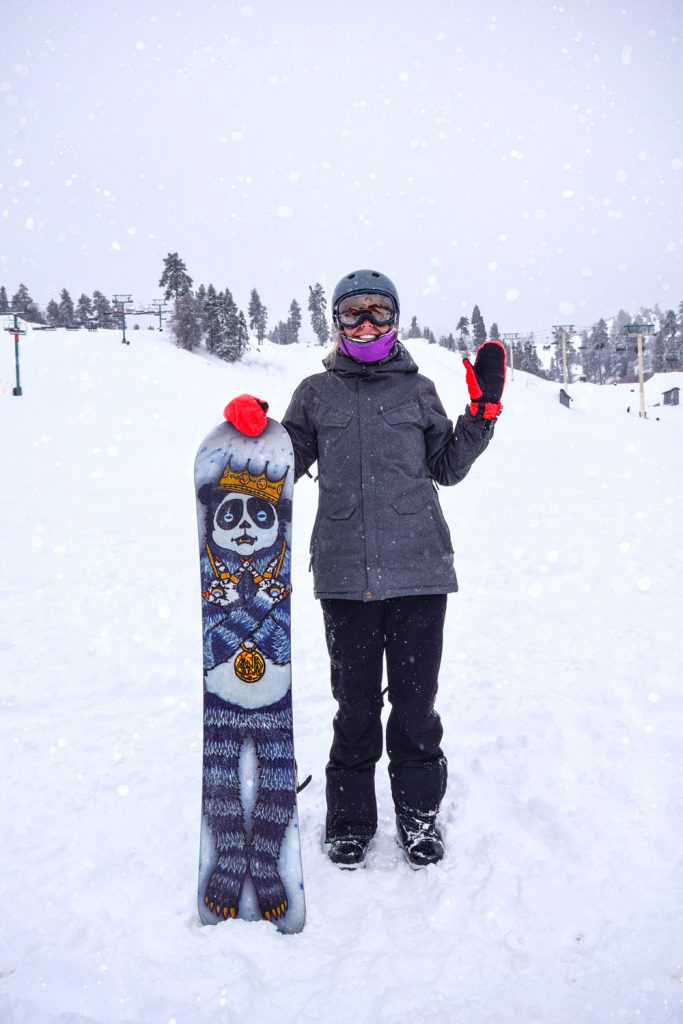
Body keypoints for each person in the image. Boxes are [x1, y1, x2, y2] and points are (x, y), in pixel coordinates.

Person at [225, 268, 506, 869]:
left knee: (413, 706)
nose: (367, 324)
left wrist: (481, 412)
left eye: (379, 311)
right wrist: (253, 431)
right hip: (345, 577)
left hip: (419, 572)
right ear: (336, 323)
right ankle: (350, 821)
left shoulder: (419, 390)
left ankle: (419, 818)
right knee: (354, 706)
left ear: (397, 320)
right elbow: (284, 464)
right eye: (354, 313)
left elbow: (447, 466)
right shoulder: (315, 394)